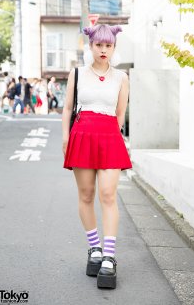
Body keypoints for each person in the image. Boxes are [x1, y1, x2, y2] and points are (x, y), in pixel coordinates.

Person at [62, 24, 132, 289]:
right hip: (82, 135)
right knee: (86, 194)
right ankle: (95, 250)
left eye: (108, 45)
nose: (104, 50)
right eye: (99, 45)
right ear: (90, 46)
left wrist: (119, 139)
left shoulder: (122, 77)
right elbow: (68, 107)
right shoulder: (77, 73)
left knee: (108, 194)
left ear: (114, 47)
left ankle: (110, 256)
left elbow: (120, 114)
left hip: (109, 136)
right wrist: (65, 137)